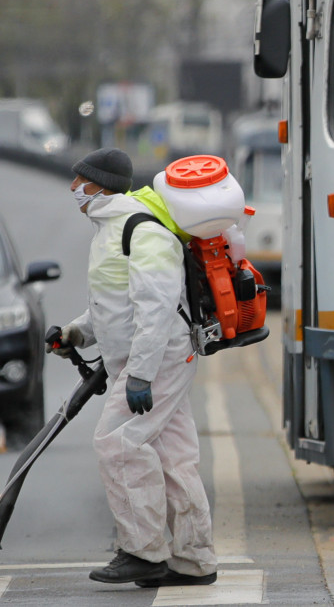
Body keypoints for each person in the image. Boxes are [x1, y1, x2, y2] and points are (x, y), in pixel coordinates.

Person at [49, 148, 217, 588]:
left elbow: (157, 309)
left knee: (117, 442)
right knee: (174, 456)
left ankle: (143, 552)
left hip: (158, 357)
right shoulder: (112, 229)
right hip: (149, 358)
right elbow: (113, 302)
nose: (73, 189)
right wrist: (75, 334)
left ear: (100, 184)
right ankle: (193, 560)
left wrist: (140, 373)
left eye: (80, 181)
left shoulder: (142, 231)